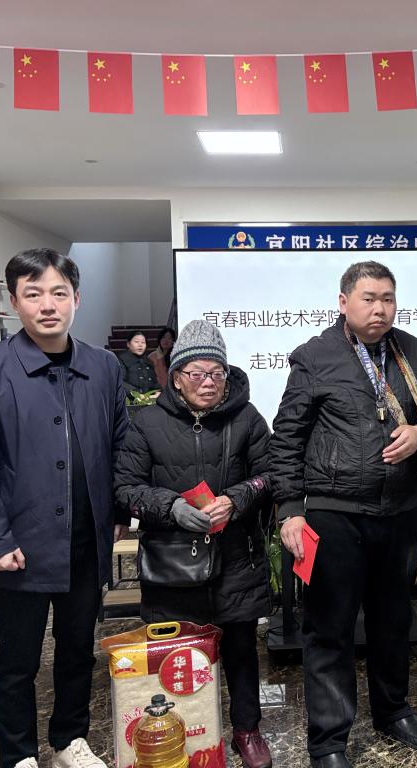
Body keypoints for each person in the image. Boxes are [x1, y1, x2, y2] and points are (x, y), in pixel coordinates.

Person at [0, 248, 128, 768]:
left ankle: (70, 739)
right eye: (33, 294)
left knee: (77, 649)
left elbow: (121, 444)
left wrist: (118, 513)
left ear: (76, 299)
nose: (47, 305)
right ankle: (18, 754)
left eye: (58, 293)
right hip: (18, 544)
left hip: (85, 539)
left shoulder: (103, 366)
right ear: (14, 302)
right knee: (18, 658)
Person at [270, 261, 417, 768]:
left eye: (388, 298)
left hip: (400, 510)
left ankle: (393, 712)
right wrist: (289, 510)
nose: (380, 309)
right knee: (329, 628)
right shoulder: (315, 356)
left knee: (393, 621)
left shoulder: (413, 352)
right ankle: (329, 741)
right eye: (369, 298)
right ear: (343, 302)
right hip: (335, 513)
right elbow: (287, 437)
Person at [114, 319, 273, 768]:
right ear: (177, 377)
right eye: (197, 373)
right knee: (179, 657)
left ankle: (247, 730)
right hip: (172, 562)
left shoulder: (247, 418)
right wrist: (170, 507)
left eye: (216, 373)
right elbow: (125, 487)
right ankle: (186, 732)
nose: (208, 382)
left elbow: (271, 474)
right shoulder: (147, 423)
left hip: (236, 556)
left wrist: (237, 498)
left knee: (241, 650)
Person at [117, 330, 158, 395]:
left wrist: (158, 391)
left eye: (143, 342)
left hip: (149, 398)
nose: (140, 345)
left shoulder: (149, 361)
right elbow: (121, 381)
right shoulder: (122, 359)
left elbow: (155, 383)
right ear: (128, 344)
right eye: (136, 342)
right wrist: (137, 394)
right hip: (130, 398)